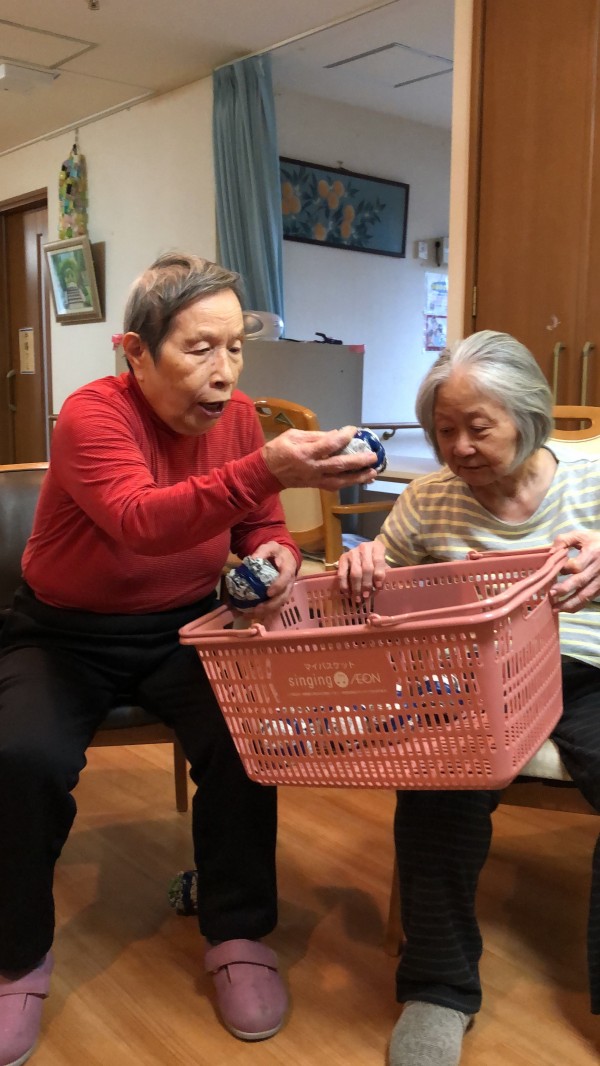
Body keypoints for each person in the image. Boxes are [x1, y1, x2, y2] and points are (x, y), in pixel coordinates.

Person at [0, 251, 378, 1066]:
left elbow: (259, 524)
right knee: (20, 757)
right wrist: (266, 465)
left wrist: (278, 556)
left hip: (186, 625)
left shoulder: (237, 419)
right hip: (64, 634)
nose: (225, 370)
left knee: (248, 739)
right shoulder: (90, 415)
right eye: (199, 348)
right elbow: (141, 520)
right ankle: (16, 959)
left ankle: (237, 934)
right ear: (135, 352)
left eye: (235, 347)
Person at [337, 330, 600, 1066]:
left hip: (589, 669)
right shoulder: (429, 501)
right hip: (477, 678)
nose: (458, 448)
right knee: (436, 779)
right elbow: (378, 593)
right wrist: (366, 567)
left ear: (528, 415)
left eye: (477, 427)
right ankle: (438, 990)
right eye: (444, 430)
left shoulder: (594, 475)